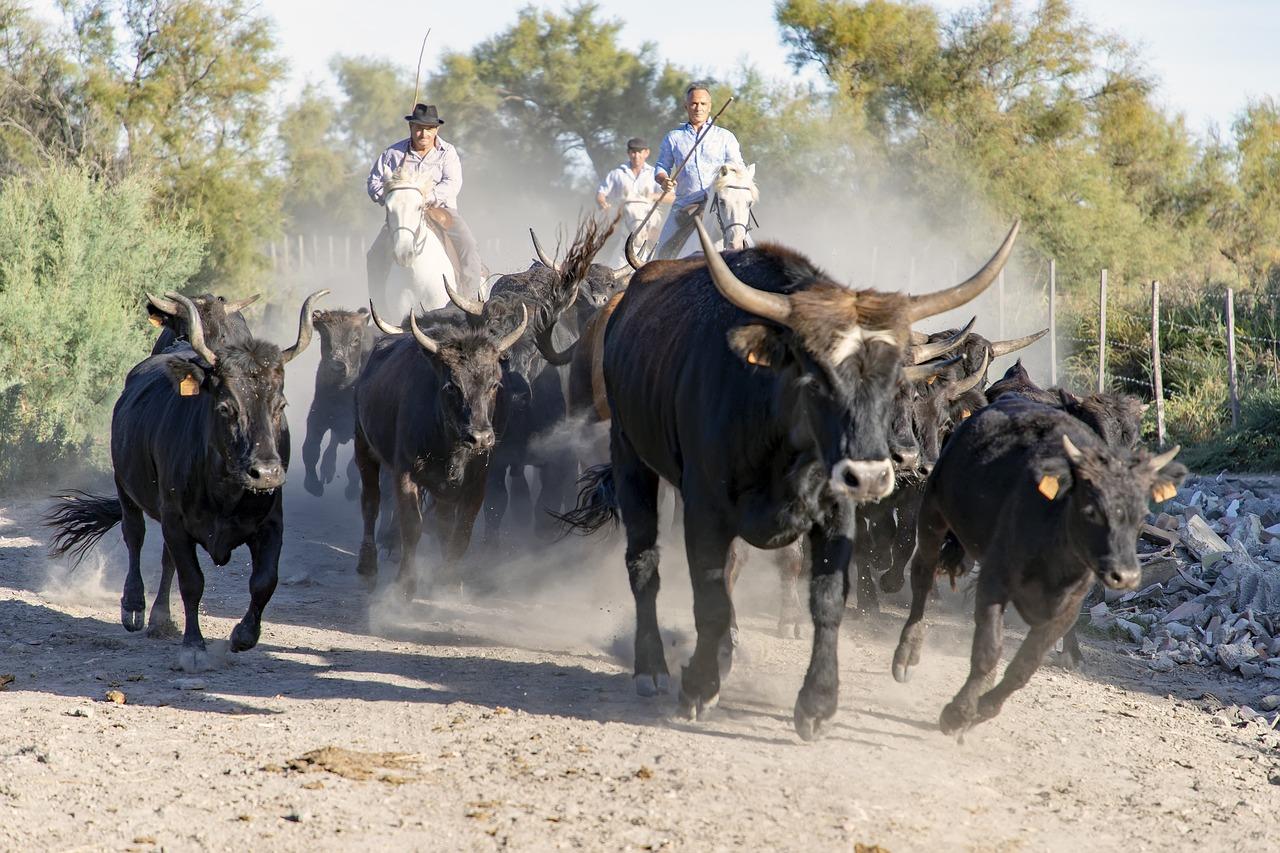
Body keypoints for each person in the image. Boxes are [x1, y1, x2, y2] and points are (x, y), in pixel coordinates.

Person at [365, 103, 483, 301]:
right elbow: (373, 182)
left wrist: (426, 197)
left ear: (436, 130)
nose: (423, 134)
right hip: (403, 214)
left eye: (429, 129)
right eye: (419, 128)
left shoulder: (447, 152)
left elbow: (452, 183)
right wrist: (390, 196)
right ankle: (378, 306)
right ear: (411, 128)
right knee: (374, 255)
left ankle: (470, 301)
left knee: (468, 246)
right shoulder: (393, 153)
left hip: (442, 211)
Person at [652, 82, 744, 259]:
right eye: (694, 104)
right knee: (661, 254)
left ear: (710, 107)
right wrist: (664, 180)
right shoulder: (674, 137)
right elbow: (661, 166)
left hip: (718, 203)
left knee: (746, 246)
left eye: (703, 104)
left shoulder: (725, 137)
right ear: (686, 106)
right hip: (684, 204)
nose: (698, 108)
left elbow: (738, 169)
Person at [595, 137, 664, 261]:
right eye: (633, 152)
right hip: (622, 217)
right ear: (628, 153)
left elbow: (671, 196)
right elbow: (601, 193)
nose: (636, 155)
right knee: (605, 240)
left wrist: (654, 196)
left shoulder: (654, 173)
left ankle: (660, 262)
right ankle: (601, 263)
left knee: (661, 241)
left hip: (647, 218)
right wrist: (602, 202)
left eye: (639, 152)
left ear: (646, 153)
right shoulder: (617, 173)